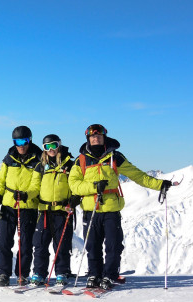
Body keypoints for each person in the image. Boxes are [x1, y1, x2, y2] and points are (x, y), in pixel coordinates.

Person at [68, 124, 173, 290]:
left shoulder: (115, 157)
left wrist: (159, 184)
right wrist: (95, 187)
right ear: (88, 138)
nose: (96, 138)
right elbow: (74, 185)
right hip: (90, 209)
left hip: (111, 209)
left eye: (99, 135)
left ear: (104, 137)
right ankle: (94, 274)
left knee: (113, 245)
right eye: (92, 136)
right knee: (92, 246)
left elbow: (138, 175)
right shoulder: (81, 160)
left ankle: (109, 275)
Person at [0, 126, 42, 286]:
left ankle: (22, 273)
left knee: (26, 242)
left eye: (24, 141)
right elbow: (1, 180)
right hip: (8, 205)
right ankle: (3, 273)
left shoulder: (37, 159)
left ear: (30, 140)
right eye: (17, 141)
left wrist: (27, 194)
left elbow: (37, 184)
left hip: (27, 206)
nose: (21, 145)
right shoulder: (9, 158)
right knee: (4, 241)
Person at [32, 135, 77, 286]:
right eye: (47, 147)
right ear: (44, 149)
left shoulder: (69, 165)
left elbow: (74, 184)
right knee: (40, 244)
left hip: (62, 211)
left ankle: (62, 272)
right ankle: (39, 273)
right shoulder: (40, 166)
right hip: (44, 210)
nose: (51, 150)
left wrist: (74, 199)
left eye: (53, 145)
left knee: (62, 244)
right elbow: (34, 186)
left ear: (59, 145)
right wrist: (26, 195)